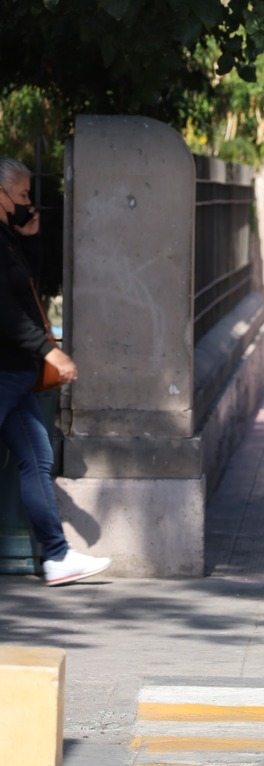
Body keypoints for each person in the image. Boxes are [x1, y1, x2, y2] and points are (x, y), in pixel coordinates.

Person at [0, 157, 111, 586]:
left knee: (37, 457)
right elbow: (5, 312)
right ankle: (57, 554)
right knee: (37, 458)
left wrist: (28, 240)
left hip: (15, 374)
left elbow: (27, 290)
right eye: (24, 195)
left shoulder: (8, 238)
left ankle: (57, 557)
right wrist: (51, 352)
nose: (29, 203)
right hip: (7, 370)